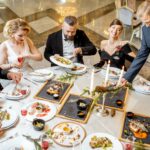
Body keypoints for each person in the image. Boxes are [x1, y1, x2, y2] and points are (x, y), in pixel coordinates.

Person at [122, 1, 150, 83]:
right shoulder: (145, 28)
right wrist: (126, 77)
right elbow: (142, 54)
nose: (146, 25)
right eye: (143, 21)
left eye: (148, 21)